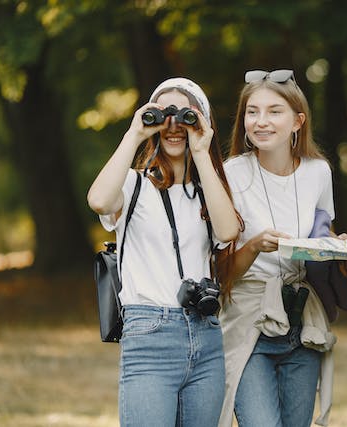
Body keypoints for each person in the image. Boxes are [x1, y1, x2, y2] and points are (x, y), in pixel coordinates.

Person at [87, 77, 241, 427]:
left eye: (185, 115)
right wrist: (135, 134)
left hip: (205, 333)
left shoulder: (208, 190)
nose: (174, 125)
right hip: (149, 333)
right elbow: (98, 200)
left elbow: (228, 231)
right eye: (162, 113)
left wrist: (201, 152)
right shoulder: (133, 184)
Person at [217, 69, 336, 427]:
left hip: (303, 323)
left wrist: (336, 244)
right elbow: (219, 272)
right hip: (249, 321)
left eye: (274, 111)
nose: (260, 121)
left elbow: (322, 233)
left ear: (298, 121)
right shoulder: (230, 174)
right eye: (252, 112)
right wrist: (255, 245)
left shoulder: (319, 171)